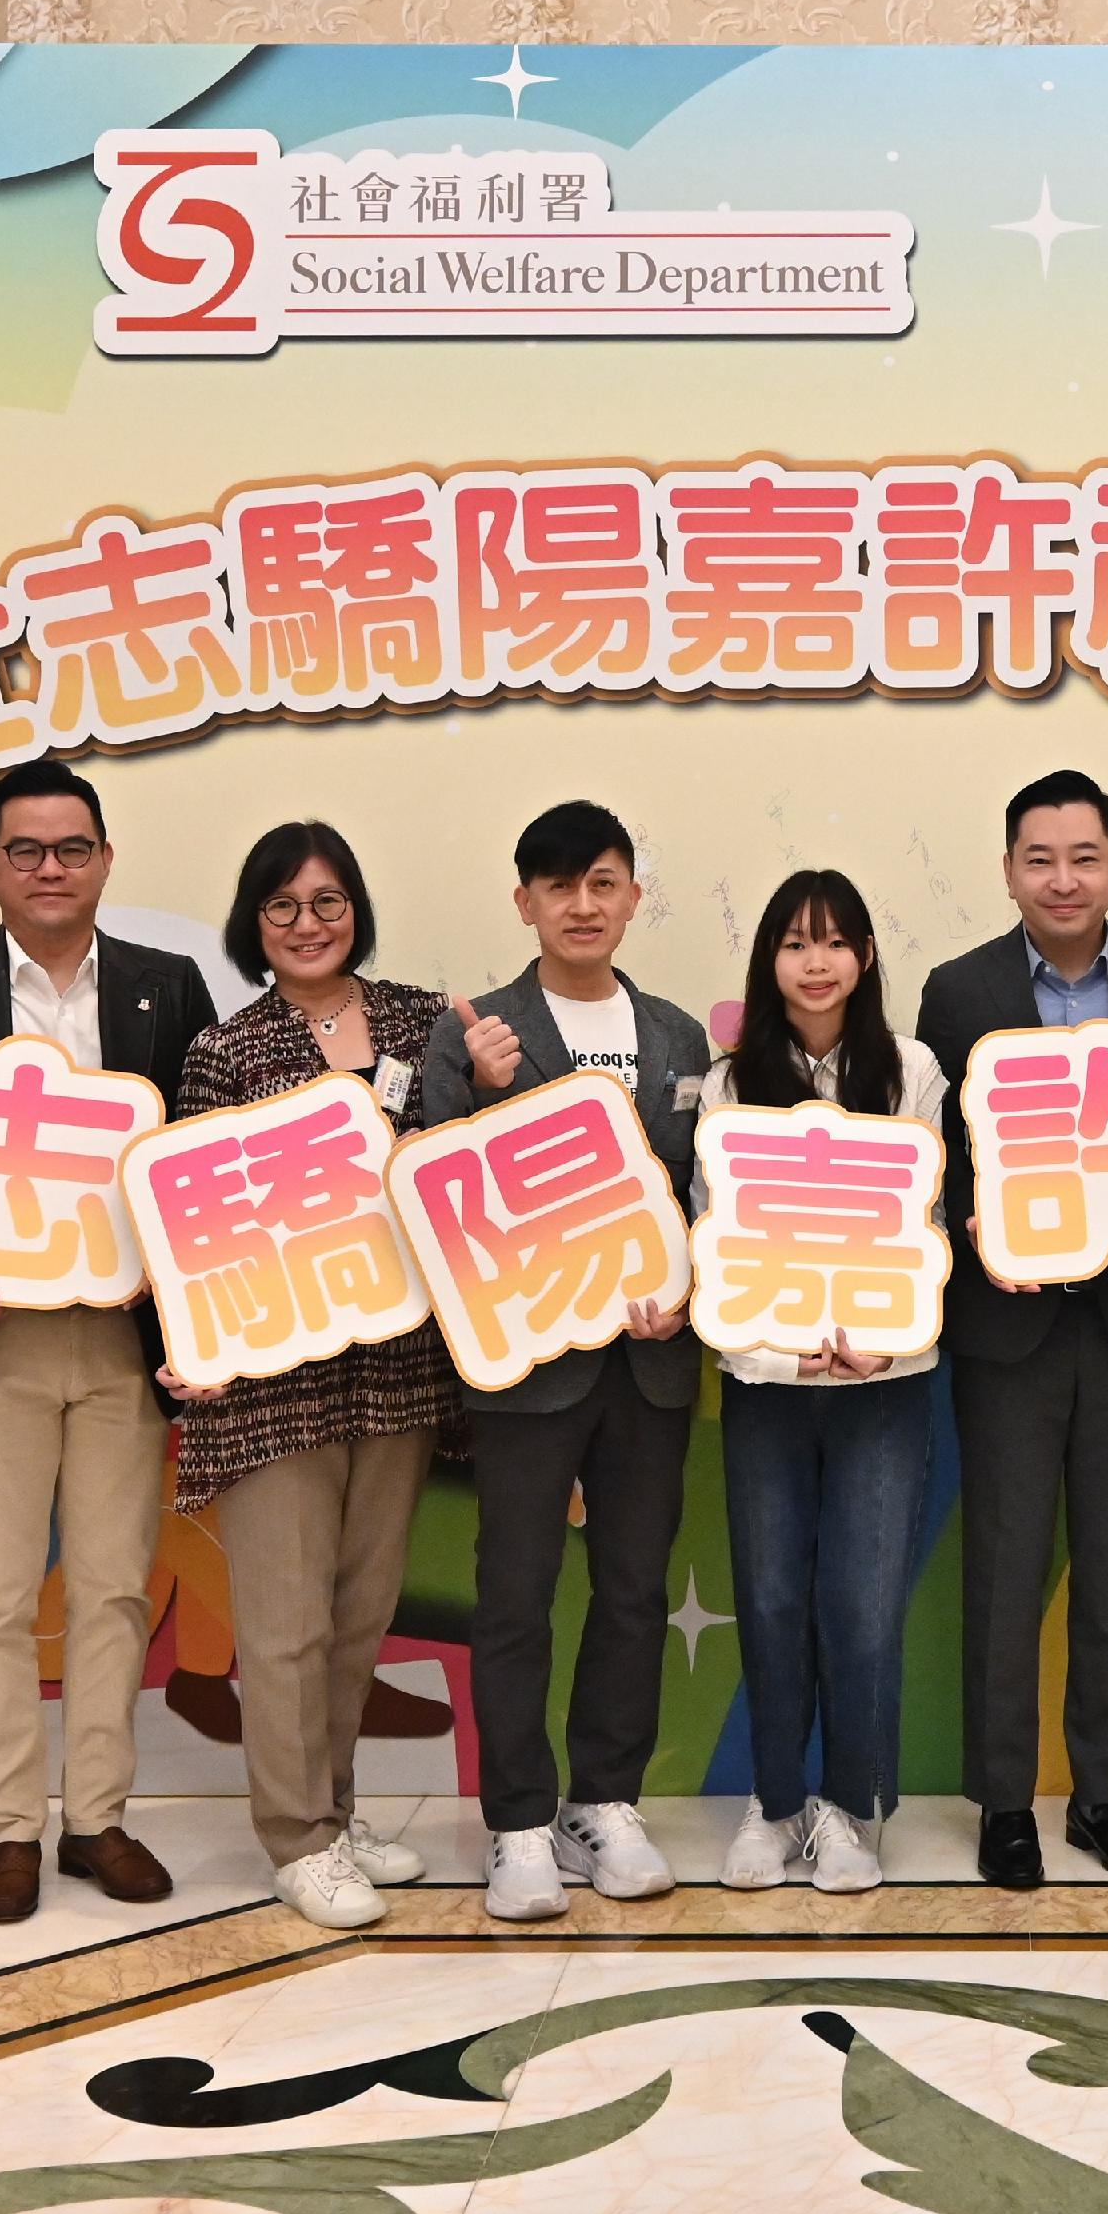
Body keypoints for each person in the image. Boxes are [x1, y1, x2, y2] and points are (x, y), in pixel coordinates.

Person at [0, 759, 215, 1925]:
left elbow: (198, 1166)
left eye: (72, 847)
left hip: (122, 1337)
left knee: (119, 1586)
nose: (50, 869)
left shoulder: (166, 987)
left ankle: (99, 1819)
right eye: (25, 850)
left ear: (106, 858)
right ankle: (10, 1826)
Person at [916, 770, 1108, 1890]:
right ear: (1008, 869)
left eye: (1084, 855)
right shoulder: (956, 993)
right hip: (1005, 1332)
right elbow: (933, 1158)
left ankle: (1101, 1794)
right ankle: (1005, 1801)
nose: (1063, 877)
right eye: (1040, 857)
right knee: (1000, 1572)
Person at [419, 800, 712, 1924]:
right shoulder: (478, 1027)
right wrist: (483, 1092)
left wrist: (679, 1292)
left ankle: (606, 1798)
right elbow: (431, 1190)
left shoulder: (681, 1036)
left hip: (650, 1365)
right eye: (557, 887)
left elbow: (699, 1197)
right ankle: (517, 1820)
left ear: (634, 894)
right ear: (523, 903)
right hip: (527, 1369)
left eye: (602, 883)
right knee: (515, 1596)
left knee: (634, 1589)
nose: (581, 906)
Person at [167, 821, 460, 1932]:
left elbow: (447, 1165)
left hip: (393, 1367)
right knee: (283, 1622)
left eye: (327, 900)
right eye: (283, 905)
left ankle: (336, 1813)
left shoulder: (417, 1022)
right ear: (253, 921)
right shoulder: (224, 1049)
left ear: (357, 910)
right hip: (274, 1375)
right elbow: (197, 1222)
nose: (307, 923)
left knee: (355, 1614)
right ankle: (294, 1835)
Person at [706, 869, 950, 1898]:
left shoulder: (909, 1069)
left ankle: (851, 1808)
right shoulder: (729, 1081)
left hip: (883, 1386)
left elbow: (927, 1224)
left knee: (860, 1602)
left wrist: (879, 1344)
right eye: (797, 942)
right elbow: (713, 1234)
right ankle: (771, 1806)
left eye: (838, 940)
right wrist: (774, 1347)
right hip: (764, 1381)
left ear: (864, 956)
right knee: (767, 1596)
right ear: (769, 959)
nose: (818, 962)